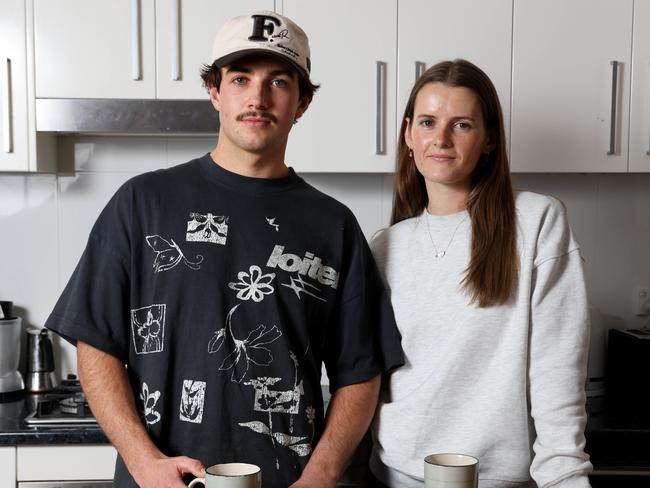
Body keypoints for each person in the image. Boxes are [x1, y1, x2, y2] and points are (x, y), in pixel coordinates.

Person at [45, 11, 403, 488]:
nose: (257, 98)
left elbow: (360, 369)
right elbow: (95, 341)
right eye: (240, 79)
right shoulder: (142, 203)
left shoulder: (332, 225)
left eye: (278, 82)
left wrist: (321, 474)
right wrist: (142, 460)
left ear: (302, 103)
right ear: (215, 91)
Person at [368, 59, 593, 487]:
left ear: (489, 139)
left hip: (495, 479)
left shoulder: (537, 221)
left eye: (462, 125)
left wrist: (565, 476)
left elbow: (557, 369)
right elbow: (372, 378)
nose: (441, 139)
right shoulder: (386, 245)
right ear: (408, 134)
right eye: (429, 122)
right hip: (395, 476)